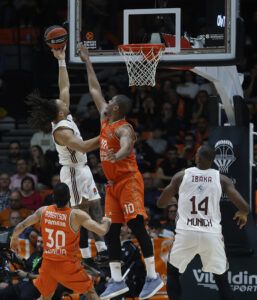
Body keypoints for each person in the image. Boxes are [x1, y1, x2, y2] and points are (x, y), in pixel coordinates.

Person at [78, 43, 164, 300]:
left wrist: (120, 153)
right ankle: (117, 281)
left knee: (137, 225)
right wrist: (87, 61)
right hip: (113, 184)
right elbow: (95, 90)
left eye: (111, 100)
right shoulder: (106, 121)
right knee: (111, 231)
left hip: (129, 181)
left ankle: (153, 277)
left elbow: (127, 142)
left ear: (116, 108)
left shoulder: (123, 127)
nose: (107, 100)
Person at [25, 46, 108, 264]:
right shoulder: (61, 131)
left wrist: (61, 60)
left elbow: (65, 85)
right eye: (62, 103)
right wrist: (106, 135)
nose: (64, 100)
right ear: (60, 112)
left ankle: (101, 248)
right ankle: (84, 255)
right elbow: (82, 147)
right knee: (79, 212)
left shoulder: (63, 115)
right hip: (71, 171)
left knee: (96, 203)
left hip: (82, 168)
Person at [157, 145, 250, 300]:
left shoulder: (181, 176)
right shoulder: (222, 179)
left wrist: (174, 199)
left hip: (186, 233)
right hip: (211, 235)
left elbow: (160, 203)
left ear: (197, 158)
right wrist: (242, 213)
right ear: (213, 161)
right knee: (221, 279)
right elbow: (245, 207)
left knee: (173, 272)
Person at [10, 182, 111, 300]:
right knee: (90, 292)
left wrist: (14, 239)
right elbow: (102, 231)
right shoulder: (76, 215)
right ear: (69, 198)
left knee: (45, 297)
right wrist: (107, 220)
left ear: (53, 197)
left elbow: (21, 225)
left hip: (48, 264)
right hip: (67, 265)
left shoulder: (43, 211)